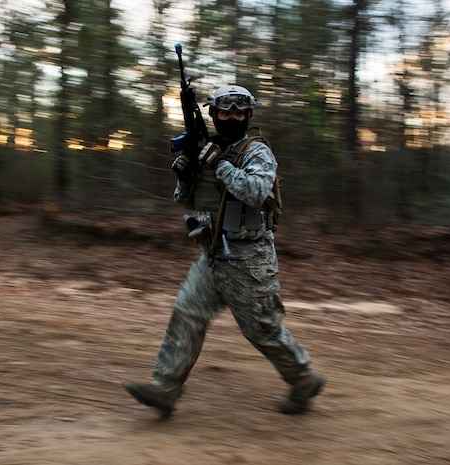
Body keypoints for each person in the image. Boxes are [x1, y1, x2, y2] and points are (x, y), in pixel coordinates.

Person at [123, 85, 324, 417]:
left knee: (262, 329)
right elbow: (185, 201)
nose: (232, 117)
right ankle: (165, 388)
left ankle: (303, 378)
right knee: (187, 313)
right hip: (213, 255)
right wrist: (185, 176)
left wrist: (222, 166)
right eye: (225, 112)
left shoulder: (256, 151)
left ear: (248, 115)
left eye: (239, 112)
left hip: (250, 260)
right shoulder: (209, 151)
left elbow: (257, 192)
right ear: (213, 114)